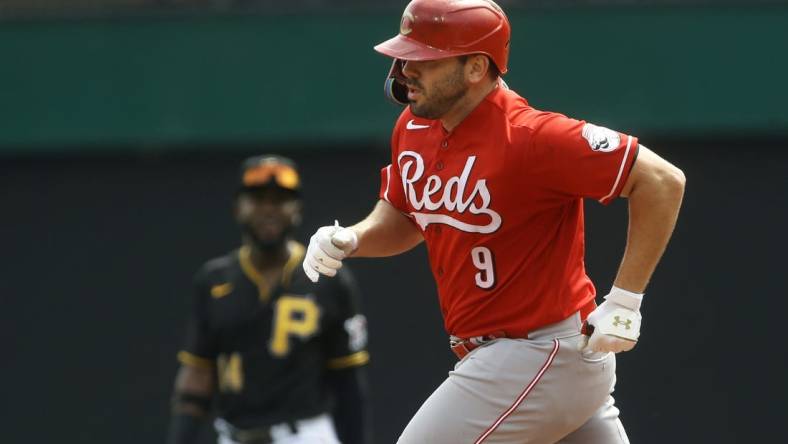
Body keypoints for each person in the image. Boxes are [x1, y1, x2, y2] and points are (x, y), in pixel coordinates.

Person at [302, 0, 686, 443]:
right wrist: (353, 237)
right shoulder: (412, 127)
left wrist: (626, 299)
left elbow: (661, 180)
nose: (406, 69)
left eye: (424, 58)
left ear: (475, 68)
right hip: (516, 360)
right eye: (405, 56)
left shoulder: (531, 136)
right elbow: (408, 214)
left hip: (540, 350)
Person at [167, 155, 371, 444]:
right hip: (235, 435)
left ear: (297, 209)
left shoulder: (328, 276)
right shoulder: (213, 280)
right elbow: (198, 376)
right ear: (238, 208)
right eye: (258, 199)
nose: (269, 209)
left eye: (280, 200)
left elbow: (348, 381)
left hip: (305, 435)